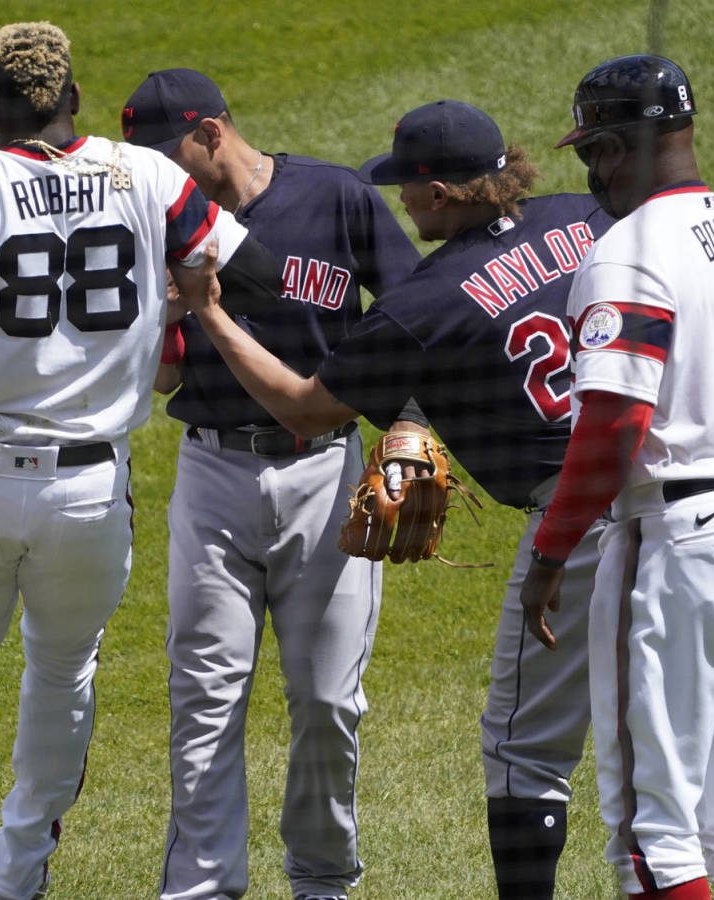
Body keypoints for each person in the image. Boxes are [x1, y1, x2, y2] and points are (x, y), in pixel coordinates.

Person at [175, 99, 619, 898]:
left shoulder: (427, 302)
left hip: (575, 512)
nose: (399, 203)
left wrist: (207, 310)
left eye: (407, 189)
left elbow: (309, 408)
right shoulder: (587, 216)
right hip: (674, 482)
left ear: (441, 195)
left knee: (524, 752)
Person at [0, 23, 289, 900]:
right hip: (89, 489)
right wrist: (176, 300)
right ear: (71, 97)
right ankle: (21, 873)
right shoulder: (146, 175)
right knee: (62, 669)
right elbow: (258, 272)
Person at [518, 55, 714, 900]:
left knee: (654, 826)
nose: (590, 173)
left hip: (679, 543)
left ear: (615, 150)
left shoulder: (625, 254)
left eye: (591, 153)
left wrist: (550, 556)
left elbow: (613, 427)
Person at [120, 68, 420, 900]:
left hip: (326, 476)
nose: (157, 174)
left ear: (212, 133)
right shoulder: (153, 221)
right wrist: (171, 320)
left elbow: (415, 311)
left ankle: (323, 881)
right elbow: (159, 376)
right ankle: (202, 887)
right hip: (214, 473)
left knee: (328, 701)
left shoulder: (335, 197)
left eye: (165, 153)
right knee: (204, 700)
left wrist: (410, 425)